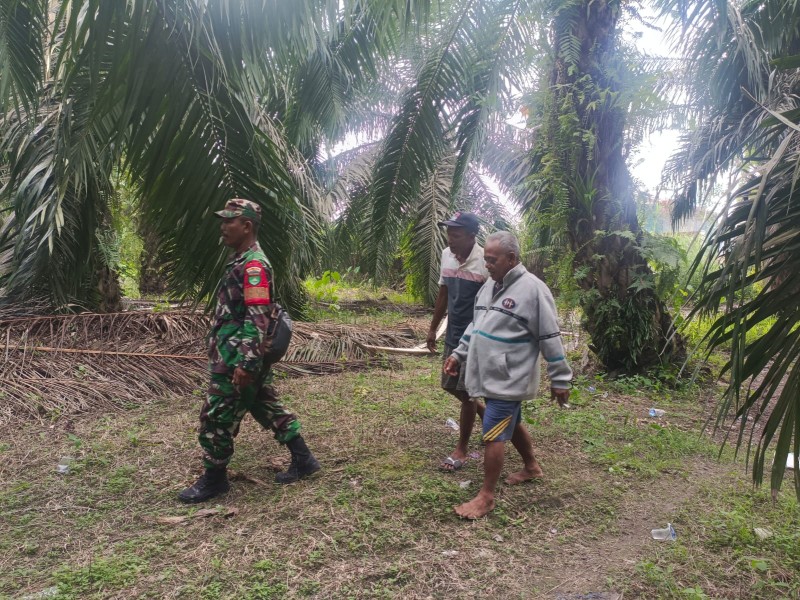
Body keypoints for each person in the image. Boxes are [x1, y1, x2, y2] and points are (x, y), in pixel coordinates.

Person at [179, 199, 320, 503]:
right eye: (223, 219)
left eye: (230, 221)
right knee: (265, 404)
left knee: (216, 416)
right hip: (234, 352)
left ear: (247, 226)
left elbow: (257, 317)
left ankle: (214, 480)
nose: (223, 226)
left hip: (237, 357)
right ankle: (304, 460)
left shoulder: (253, 265)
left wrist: (246, 363)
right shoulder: (241, 260)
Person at [443, 231, 572, 519]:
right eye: (486, 259)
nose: (486, 264)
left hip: (508, 378)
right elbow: (475, 325)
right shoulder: (490, 285)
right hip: (488, 374)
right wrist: (458, 354)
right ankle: (531, 467)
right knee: (509, 424)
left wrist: (560, 378)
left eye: (492, 259)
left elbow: (550, 337)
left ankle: (486, 497)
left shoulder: (533, 290)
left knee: (493, 434)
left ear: (511, 259)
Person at [426, 211, 489, 471]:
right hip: (453, 334)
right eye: (448, 234)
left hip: (476, 337)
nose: (450, 239)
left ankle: (461, 448)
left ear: (472, 236)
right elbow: (444, 292)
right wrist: (432, 328)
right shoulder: (446, 255)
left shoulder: (486, 261)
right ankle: (487, 416)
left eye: (456, 234)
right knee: (449, 385)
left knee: (467, 394)